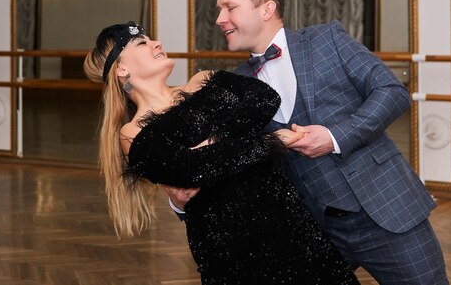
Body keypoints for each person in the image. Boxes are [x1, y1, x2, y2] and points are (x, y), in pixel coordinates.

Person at [169, 0, 449, 284]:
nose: (220, 18)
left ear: (266, 9)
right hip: (313, 234)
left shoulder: (326, 40)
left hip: (387, 213)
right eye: (219, 10)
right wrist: (180, 201)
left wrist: (334, 136)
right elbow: (231, 161)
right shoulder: (238, 85)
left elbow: (391, 91)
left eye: (229, 8)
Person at [83, 21, 360, 285]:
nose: (157, 44)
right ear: (121, 70)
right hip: (229, 246)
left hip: (288, 221)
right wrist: (271, 140)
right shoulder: (132, 134)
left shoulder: (203, 80)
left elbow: (265, 99)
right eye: (143, 43)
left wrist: (211, 143)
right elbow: (192, 169)